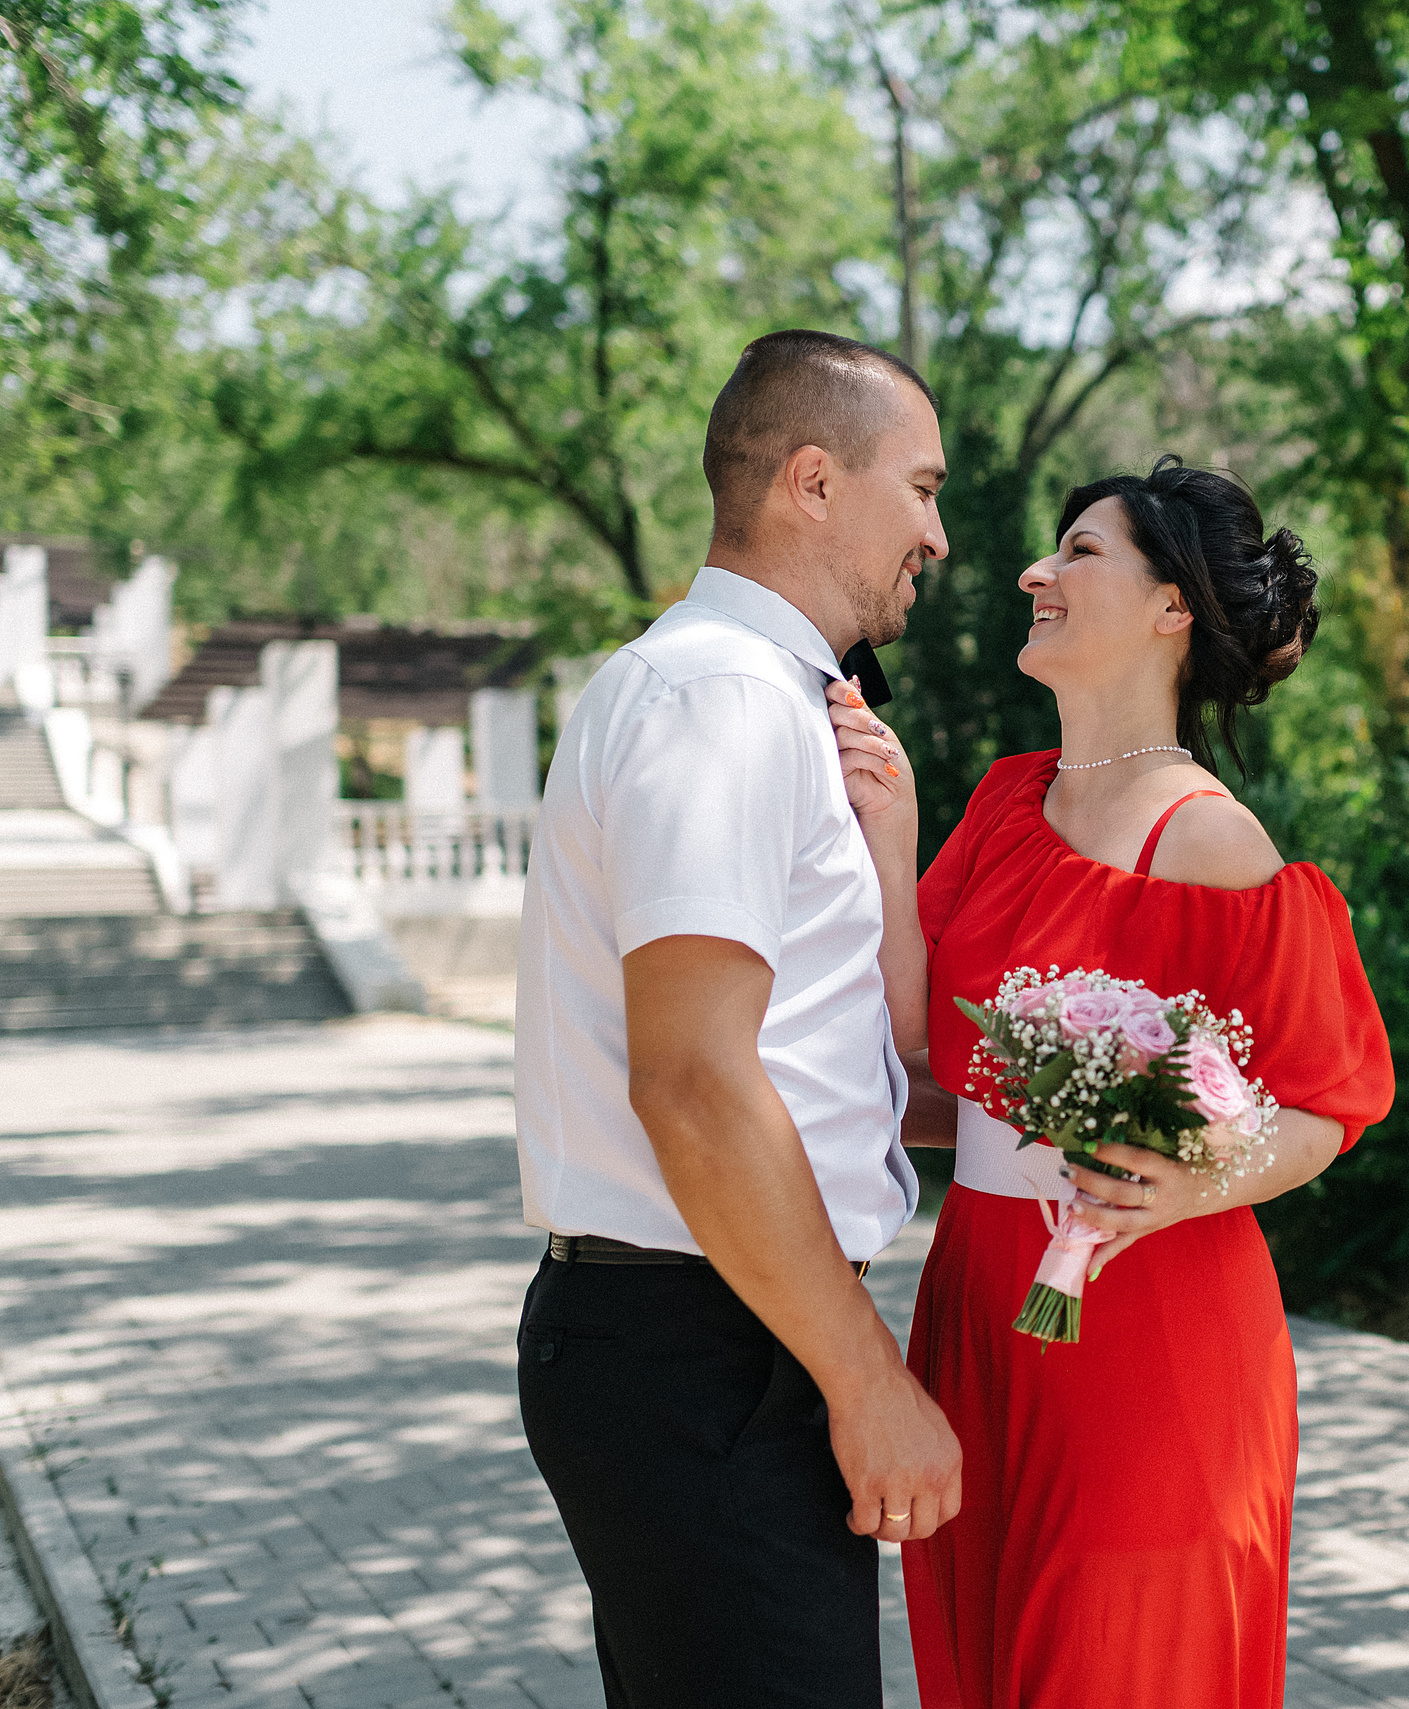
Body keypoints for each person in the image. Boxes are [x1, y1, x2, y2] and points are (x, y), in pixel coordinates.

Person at [829, 455, 1395, 1709]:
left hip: (1150, 1330)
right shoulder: (1005, 797)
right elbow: (919, 1040)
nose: (1035, 570)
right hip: (981, 1306)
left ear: (1171, 606)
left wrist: (1184, 1183)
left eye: (1078, 551)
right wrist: (896, 830)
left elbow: (1329, 1101)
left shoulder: (1208, 839)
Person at [512, 328, 962, 1709]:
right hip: (706, 1347)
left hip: (715, 1332)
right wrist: (865, 1376)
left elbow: (824, 1056)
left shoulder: (764, 700)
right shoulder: (718, 699)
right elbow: (698, 1084)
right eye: (925, 488)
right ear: (812, 483)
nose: (938, 536)